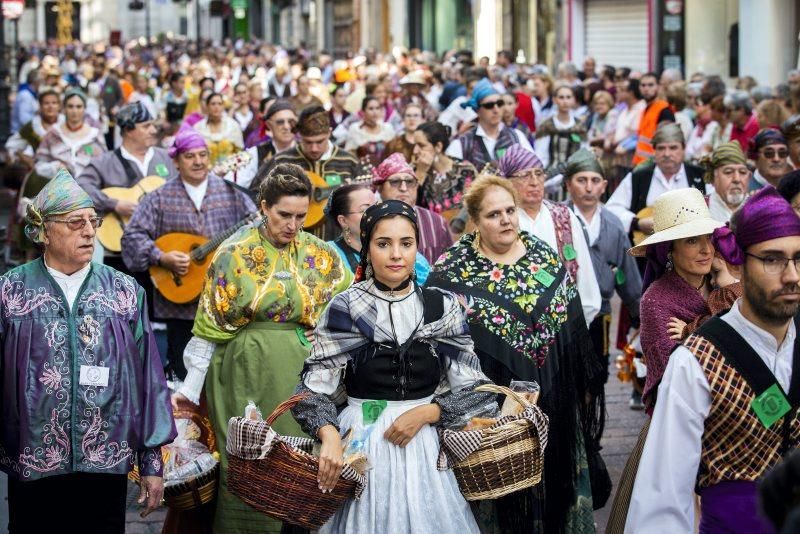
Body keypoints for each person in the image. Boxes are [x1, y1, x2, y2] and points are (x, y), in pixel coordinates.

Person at [291, 199, 492, 533]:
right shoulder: (345, 308)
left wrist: (427, 414)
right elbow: (311, 392)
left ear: (417, 247)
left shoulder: (440, 307)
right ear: (367, 249)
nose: (396, 255)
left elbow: (476, 390)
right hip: (361, 445)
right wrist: (328, 436)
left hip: (424, 447)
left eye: (406, 243)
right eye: (383, 244)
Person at [175, 164, 352, 533]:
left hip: (302, 372)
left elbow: (350, 307)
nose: (292, 224)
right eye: (283, 214)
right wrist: (189, 392)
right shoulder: (233, 252)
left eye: (301, 216)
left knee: (298, 460)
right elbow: (210, 326)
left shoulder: (321, 255)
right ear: (264, 206)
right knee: (246, 457)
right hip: (242, 367)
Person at [427, 175, 605, 533]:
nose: (506, 219)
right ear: (474, 222)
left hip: (554, 406)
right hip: (491, 425)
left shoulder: (543, 256)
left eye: (510, 210)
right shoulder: (451, 272)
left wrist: (581, 389)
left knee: (559, 496)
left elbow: (572, 330)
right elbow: (436, 349)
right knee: (504, 510)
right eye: (494, 214)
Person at [0, 169, 176, 532]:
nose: (89, 231)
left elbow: (148, 379)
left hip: (104, 461)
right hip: (33, 460)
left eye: (92, 221)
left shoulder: (124, 292)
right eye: (74, 222)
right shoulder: (11, 292)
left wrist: (152, 463)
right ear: (44, 232)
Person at [626, 186, 800, 533]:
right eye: (771, 259)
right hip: (690, 435)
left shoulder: (722, 287)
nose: (792, 275)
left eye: (799, 259)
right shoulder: (684, 347)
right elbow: (664, 501)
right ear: (670, 249)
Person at [121, 125, 256, 380]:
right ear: (176, 161)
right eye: (190, 156)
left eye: (203, 155)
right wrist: (161, 257)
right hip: (178, 304)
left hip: (222, 299)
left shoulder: (231, 193)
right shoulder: (158, 197)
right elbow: (132, 238)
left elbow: (256, 233)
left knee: (222, 372)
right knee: (183, 373)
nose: (198, 161)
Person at [629, 187, 725, 413]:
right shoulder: (656, 301)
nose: (706, 249)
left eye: (708, 238)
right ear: (669, 251)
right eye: (692, 241)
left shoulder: (724, 284)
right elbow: (673, 374)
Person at [496, 144, 601, 326]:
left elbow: (584, 274)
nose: (534, 182)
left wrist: (582, 322)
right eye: (525, 175)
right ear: (507, 182)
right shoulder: (500, 221)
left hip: (565, 326)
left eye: (539, 173)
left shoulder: (563, 216)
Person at [564, 149, 642, 387]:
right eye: (581, 180)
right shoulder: (558, 219)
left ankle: (591, 422)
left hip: (601, 310)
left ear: (604, 186)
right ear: (568, 185)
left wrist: (639, 315)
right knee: (566, 375)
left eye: (595, 181)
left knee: (596, 375)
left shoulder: (613, 224)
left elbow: (627, 274)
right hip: (564, 313)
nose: (588, 188)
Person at [78, 102, 177, 219]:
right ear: (128, 130)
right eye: (146, 126)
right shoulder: (105, 162)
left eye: (153, 125)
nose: (153, 130)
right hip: (121, 234)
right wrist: (113, 204)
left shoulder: (167, 157)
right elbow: (80, 187)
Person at [607, 123, 708, 236]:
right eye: (661, 148)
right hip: (648, 249)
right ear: (654, 150)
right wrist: (637, 222)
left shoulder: (700, 176)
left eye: (673, 148)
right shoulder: (638, 177)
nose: (667, 154)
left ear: (683, 148)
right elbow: (611, 209)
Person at [325, 182, 430, 284]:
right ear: (343, 220)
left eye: (377, 207)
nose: (375, 214)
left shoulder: (404, 249)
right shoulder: (327, 255)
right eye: (365, 210)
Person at [259, 105, 364, 193]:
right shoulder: (281, 161)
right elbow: (257, 193)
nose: (314, 149)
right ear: (299, 135)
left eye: (319, 142)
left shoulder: (349, 161)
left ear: (329, 132)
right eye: (308, 142)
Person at [372, 153, 453, 264]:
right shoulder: (370, 221)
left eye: (410, 182)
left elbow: (450, 264)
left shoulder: (436, 222)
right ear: (380, 188)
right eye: (395, 182)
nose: (404, 188)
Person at [446, 78, 534, 172]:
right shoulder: (462, 143)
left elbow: (533, 169)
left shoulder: (517, 136)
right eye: (489, 105)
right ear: (477, 110)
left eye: (499, 104)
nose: (496, 110)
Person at [412, 121, 478, 230]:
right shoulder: (413, 170)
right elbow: (409, 207)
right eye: (414, 145)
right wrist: (421, 173)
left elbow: (476, 205)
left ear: (438, 146)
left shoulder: (465, 170)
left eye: (421, 145)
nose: (415, 151)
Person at [35, 87, 107, 181]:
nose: (74, 111)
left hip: (88, 188)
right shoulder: (53, 134)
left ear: (84, 109)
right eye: (70, 106)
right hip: (59, 189)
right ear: (64, 109)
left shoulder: (94, 135)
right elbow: (39, 164)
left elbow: (104, 165)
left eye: (79, 106)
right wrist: (55, 167)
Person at [228, 99, 297, 189]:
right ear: (269, 125)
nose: (287, 127)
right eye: (280, 122)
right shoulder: (255, 153)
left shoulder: (308, 149)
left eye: (291, 122)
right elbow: (235, 185)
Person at [534, 83, 587, 173]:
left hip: (575, 173)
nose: (565, 101)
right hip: (551, 175)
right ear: (555, 100)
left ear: (574, 100)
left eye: (568, 97)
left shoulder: (579, 126)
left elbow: (584, 151)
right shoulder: (546, 126)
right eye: (561, 97)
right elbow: (540, 155)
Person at [5, 88, 62, 170]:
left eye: (54, 103)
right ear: (40, 106)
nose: (50, 106)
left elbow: (86, 145)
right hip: (41, 175)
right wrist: (23, 157)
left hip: (67, 175)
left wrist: (87, 154)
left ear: (59, 106)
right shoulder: (33, 126)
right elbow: (12, 145)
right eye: (46, 103)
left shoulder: (66, 123)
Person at [632, 72, 676, 165]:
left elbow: (668, 141)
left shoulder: (664, 110)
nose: (646, 89)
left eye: (650, 85)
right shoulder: (645, 109)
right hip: (641, 164)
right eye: (643, 85)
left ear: (659, 87)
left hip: (654, 164)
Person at [704, 141, 752, 222]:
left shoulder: (759, 208)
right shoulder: (701, 209)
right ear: (713, 178)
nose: (737, 179)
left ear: (749, 177)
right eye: (728, 172)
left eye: (742, 172)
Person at [193, 92, 245, 166]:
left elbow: (240, 151)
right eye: (213, 104)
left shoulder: (233, 125)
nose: (216, 107)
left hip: (230, 171)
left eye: (220, 104)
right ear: (207, 106)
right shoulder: (198, 128)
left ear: (223, 106)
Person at [344, 96, 396, 168]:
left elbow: (394, 154)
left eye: (377, 108)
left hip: (386, 171)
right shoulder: (355, 129)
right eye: (371, 108)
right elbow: (349, 155)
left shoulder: (387, 128)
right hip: (362, 173)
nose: (375, 112)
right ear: (363, 112)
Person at [11, 69, 40, 133]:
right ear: (37, 82)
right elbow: (24, 119)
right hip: (21, 134)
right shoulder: (25, 95)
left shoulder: (32, 94)